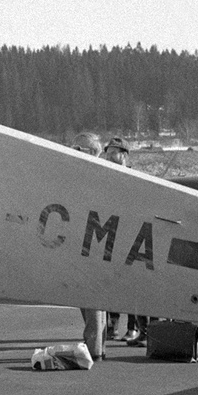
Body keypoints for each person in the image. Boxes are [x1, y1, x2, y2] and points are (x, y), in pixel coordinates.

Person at [100, 138, 148, 345]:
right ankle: (112, 325)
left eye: (114, 152)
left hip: (131, 234)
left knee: (132, 283)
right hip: (111, 232)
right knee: (111, 280)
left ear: (124, 155)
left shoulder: (135, 177)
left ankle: (134, 327)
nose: (110, 155)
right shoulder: (105, 176)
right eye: (108, 152)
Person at [73, 135, 108, 360]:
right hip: (91, 236)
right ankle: (97, 344)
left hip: (93, 238)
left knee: (90, 294)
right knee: (92, 296)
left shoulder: (93, 173)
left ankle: (93, 346)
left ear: (89, 151)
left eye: (77, 147)